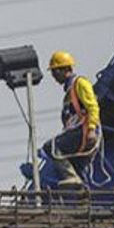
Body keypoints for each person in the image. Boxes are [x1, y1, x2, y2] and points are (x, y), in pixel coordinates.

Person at [42, 51, 100, 187]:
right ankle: (84, 199)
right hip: (79, 133)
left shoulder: (80, 83)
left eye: (55, 72)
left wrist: (91, 129)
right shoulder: (69, 91)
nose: (54, 76)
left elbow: (93, 107)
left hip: (83, 132)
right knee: (78, 170)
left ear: (64, 69)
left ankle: (71, 177)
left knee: (51, 147)